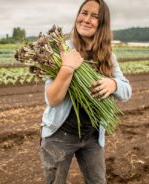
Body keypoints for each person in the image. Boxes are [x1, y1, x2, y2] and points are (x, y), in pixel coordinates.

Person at [40, 0, 132, 183]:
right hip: (60, 135)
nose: (87, 19)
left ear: (102, 23)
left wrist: (113, 84)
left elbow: (126, 91)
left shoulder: (107, 56)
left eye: (95, 16)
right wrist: (67, 68)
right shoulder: (61, 51)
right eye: (84, 13)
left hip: (92, 136)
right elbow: (52, 99)